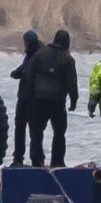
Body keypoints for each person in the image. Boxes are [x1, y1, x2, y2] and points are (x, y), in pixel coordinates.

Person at [23, 28, 78, 167]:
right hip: (57, 102)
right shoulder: (68, 59)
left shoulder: (40, 54)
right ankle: (57, 162)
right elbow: (72, 83)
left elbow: (29, 75)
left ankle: (36, 161)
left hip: (38, 100)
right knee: (59, 133)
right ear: (67, 42)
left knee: (36, 132)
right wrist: (73, 101)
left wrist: (29, 97)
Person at [8, 29, 41, 167]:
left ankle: (31, 158)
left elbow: (26, 72)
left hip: (31, 98)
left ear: (29, 43)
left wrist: (16, 73)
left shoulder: (37, 56)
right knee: (25, 128)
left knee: (29, 129)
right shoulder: (32, 54)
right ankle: (24, 157)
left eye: (25, 42)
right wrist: (16, 73)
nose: (24, 45)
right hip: (27, 97)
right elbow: (23, 69)